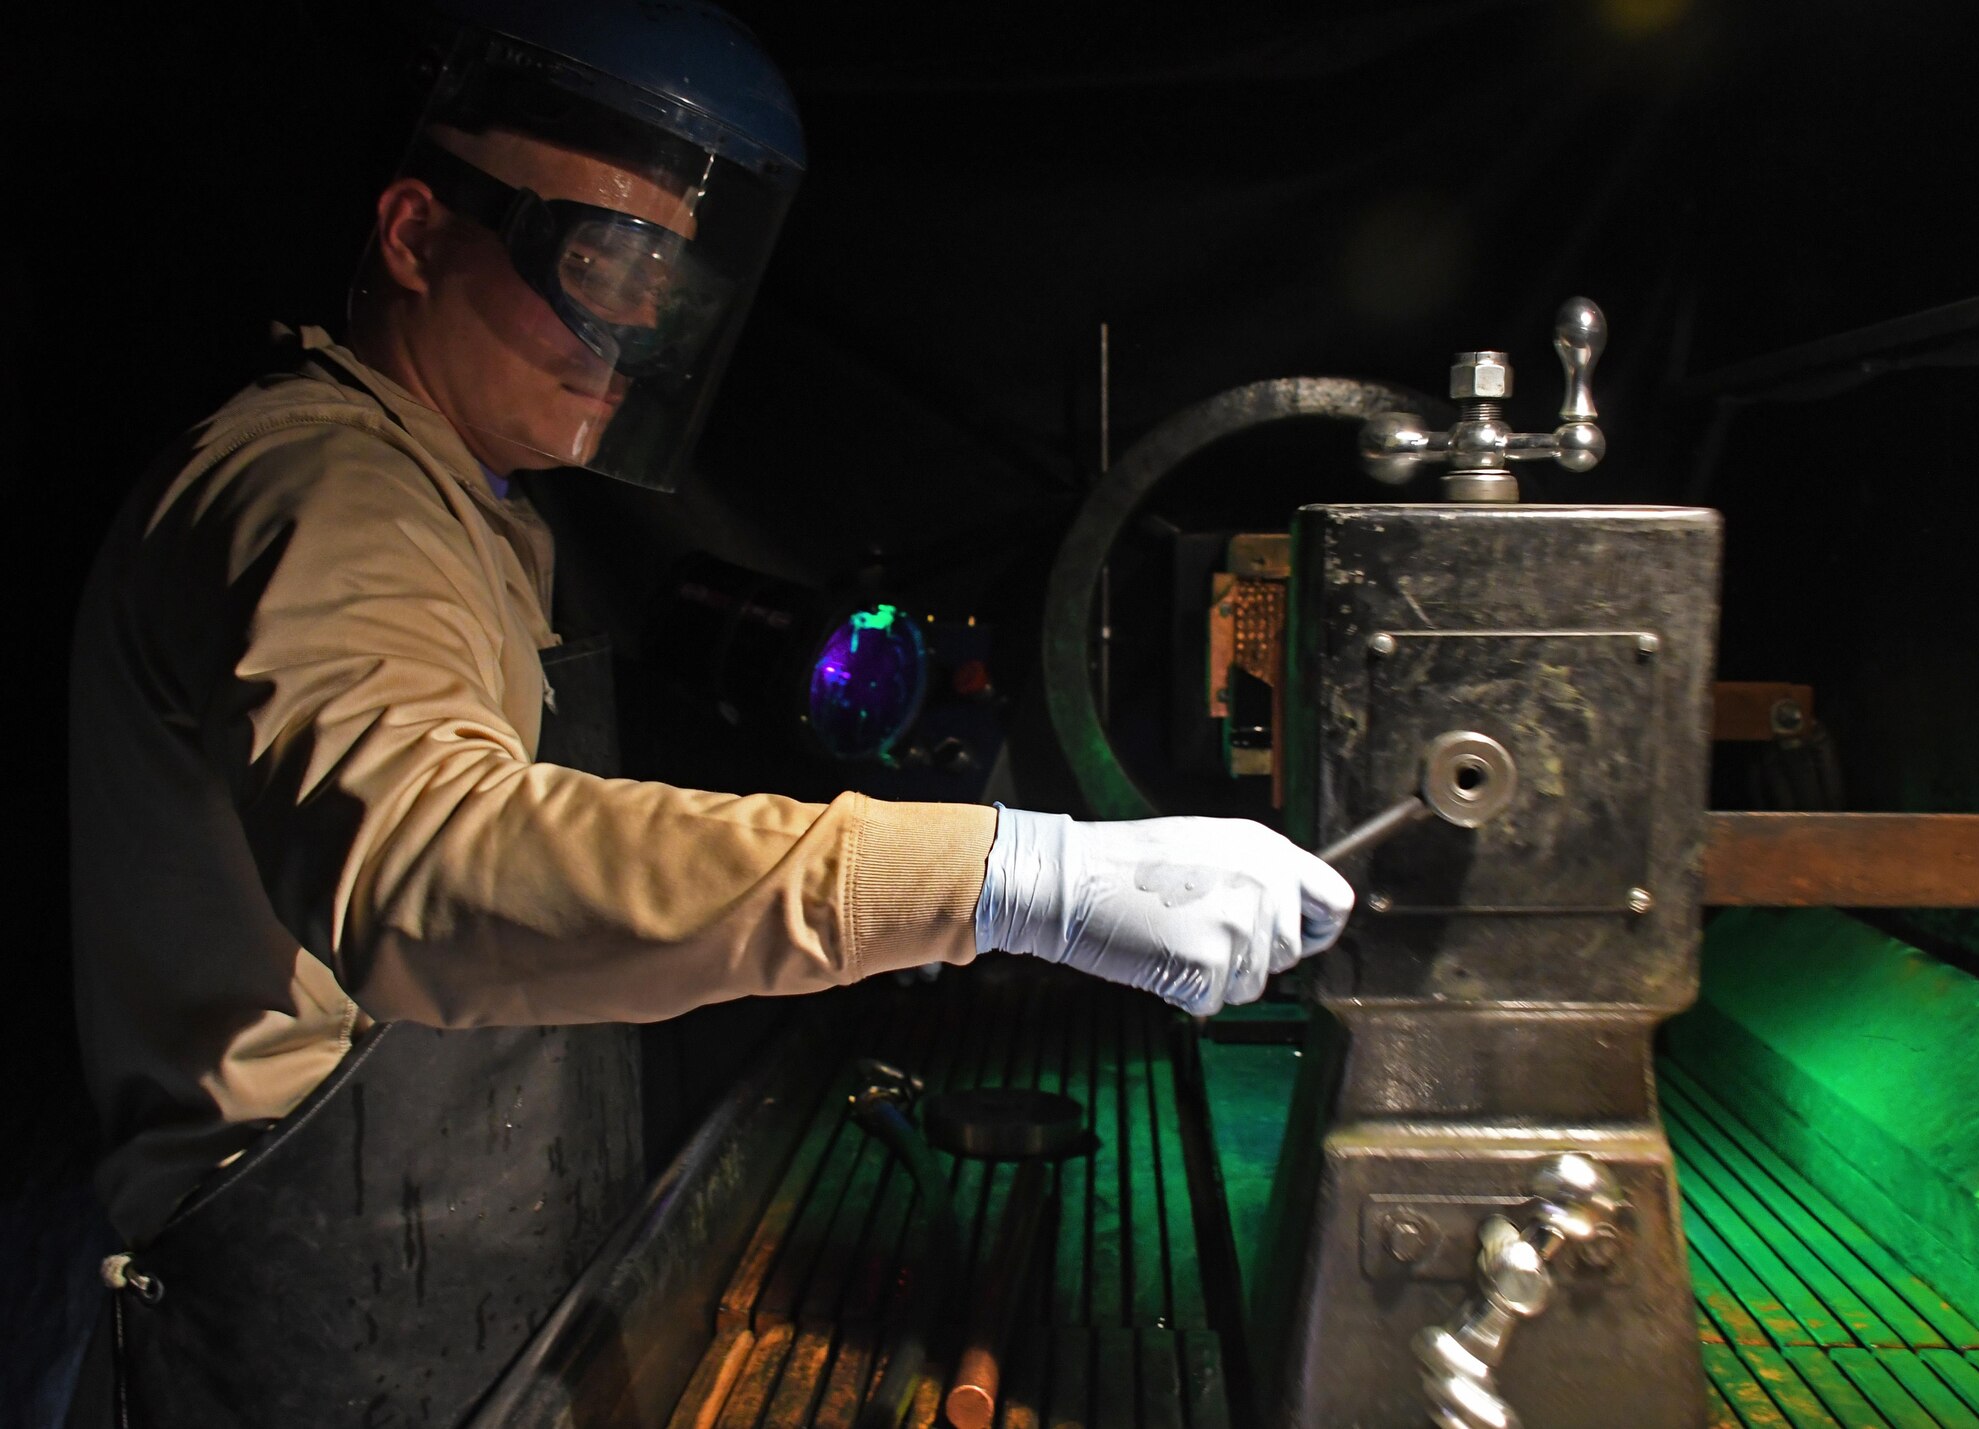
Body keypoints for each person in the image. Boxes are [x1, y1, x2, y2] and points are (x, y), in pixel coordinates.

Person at [64, 4, 1352, 1424]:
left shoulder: (473, 513)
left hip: (456, 1309)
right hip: (305, 1352)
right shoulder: (322, 493)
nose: (630, 334)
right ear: (418, 232)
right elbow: (433, 874)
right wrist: (1007, 876)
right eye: (602, 264)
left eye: (669, 290)